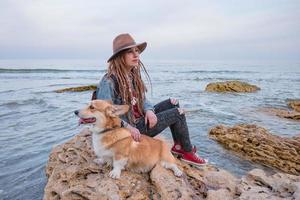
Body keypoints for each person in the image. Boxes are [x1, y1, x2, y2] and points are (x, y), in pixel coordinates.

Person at [96, 33, 206, 166]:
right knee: (179, 113)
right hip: (129, 130)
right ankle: (187, 152)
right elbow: (104, 115)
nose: (136, 55)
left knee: (173, 103)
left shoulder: (132, 76)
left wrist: (149, 110)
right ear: (120, 56)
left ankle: (178, 147)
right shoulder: (109, 81)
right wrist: (128, 127)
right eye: (130, 52)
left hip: (139, 120)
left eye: (137, 51)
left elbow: (143, 99)